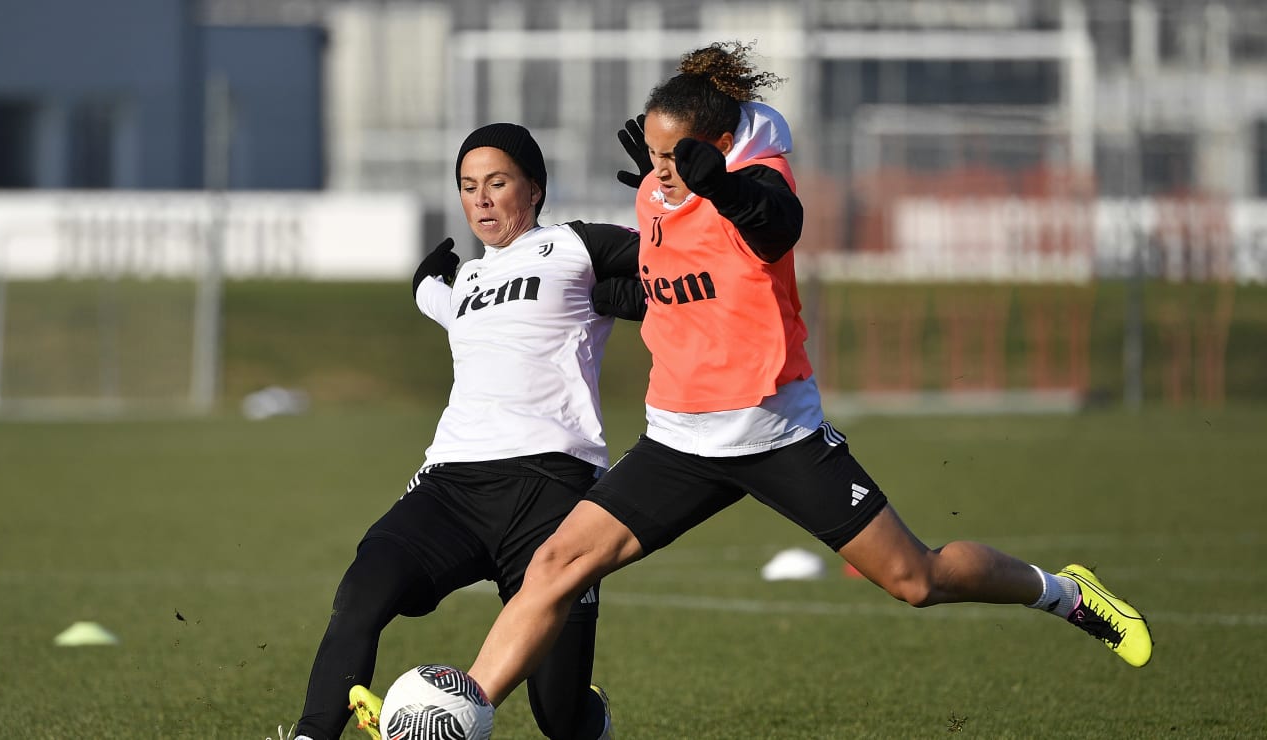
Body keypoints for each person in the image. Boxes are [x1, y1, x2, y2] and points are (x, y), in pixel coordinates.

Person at [455, 41, 1154, 730]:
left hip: (776, 433)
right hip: (678, 441)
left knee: (918, 580)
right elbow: (667, 287)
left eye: (677, 155)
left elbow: (775, 226)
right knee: (553, 565)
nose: (661, 169)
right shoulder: (653, 193)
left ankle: (1065, 594)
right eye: (656, 155)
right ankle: (463, 711)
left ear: (722, 144)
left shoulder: (760, 182)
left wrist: (720, 184)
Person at [273, 123, 643, 740]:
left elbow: (679, 259)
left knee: (560, 715)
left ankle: (588, 715)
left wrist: (669, 217)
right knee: (364, 589)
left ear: (535, 188)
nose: (482, 200)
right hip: (452, 485)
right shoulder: (468, 281)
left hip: (552, 491)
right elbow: (437, 300)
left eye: (498, 183)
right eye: (469, 187)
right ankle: (312, 734)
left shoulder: (575, 247)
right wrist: (423, 284)